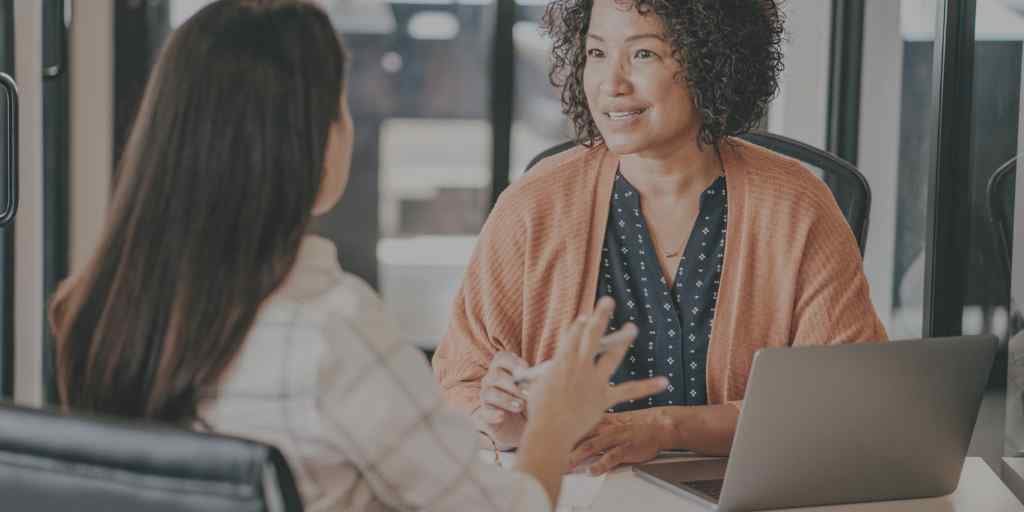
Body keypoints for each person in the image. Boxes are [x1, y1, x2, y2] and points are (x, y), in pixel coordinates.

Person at [47, 1, 665, 510]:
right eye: (339, 106)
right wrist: (554, 424)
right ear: (304, 144)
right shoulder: (332, 329)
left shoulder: (96, 309)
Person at [433, 0, 888, 475]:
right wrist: (503, 423)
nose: (611, 85)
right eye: (596, 54)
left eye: (643, 54)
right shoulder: (533, 206)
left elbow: (842, 404)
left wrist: (667, 427)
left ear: (710, 59)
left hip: (745, 495)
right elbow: (460, 385)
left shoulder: (797, 206)